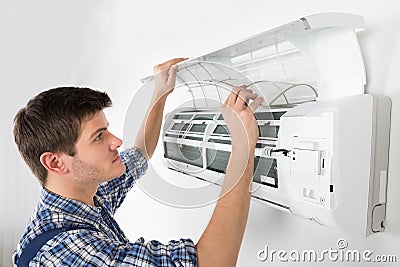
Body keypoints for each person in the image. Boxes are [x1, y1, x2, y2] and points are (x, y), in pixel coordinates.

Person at [12, 58, 264, 267]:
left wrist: (160, 93)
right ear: (55, 163)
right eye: (99, 137)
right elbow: (210, 263)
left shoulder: (81, 197)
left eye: (107, 130)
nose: (116, 141)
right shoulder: (69, 253)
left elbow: (140, 154)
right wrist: (241, 146)